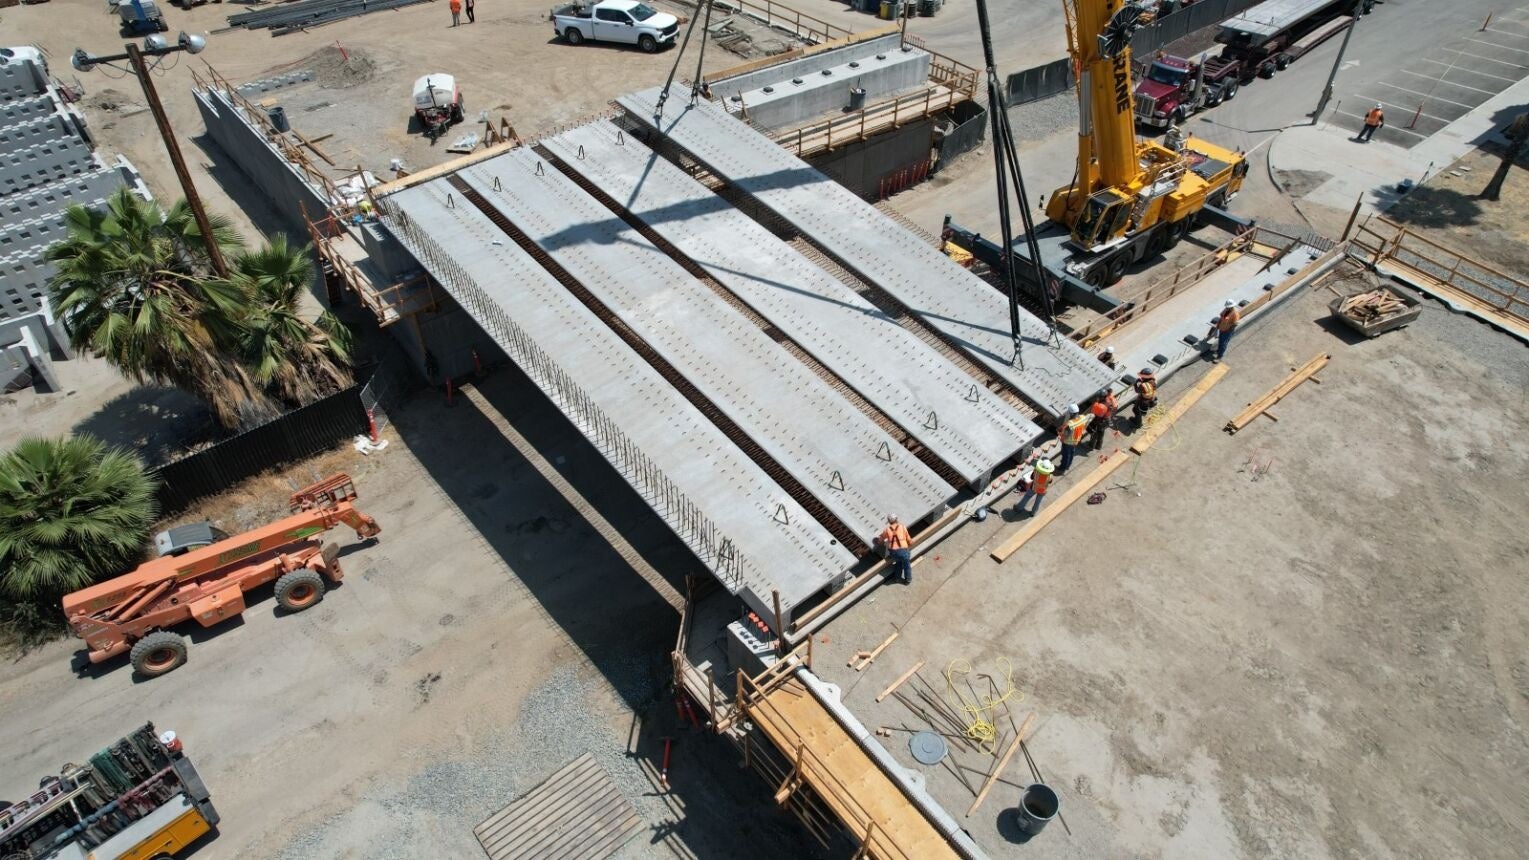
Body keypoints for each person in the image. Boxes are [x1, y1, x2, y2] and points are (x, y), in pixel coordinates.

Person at [878, 514, 913, 585]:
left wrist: (879, 542)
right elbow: (908, 539)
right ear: (896, 519)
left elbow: (881, 539)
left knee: (899, 563)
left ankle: (897, 578)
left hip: (894, 552)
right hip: (903, 550)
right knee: (907, 565)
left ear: (889, 522)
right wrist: (910, 543)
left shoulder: (887, 530)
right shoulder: (902, 527)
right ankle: (908, 580)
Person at [1057, 404, 1089, 473]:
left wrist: (1061, 437)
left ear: (1071, 413)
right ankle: (1068, 465)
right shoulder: (1083, 417)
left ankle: (1063, 467)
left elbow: (1066, 434)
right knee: (1071, 453)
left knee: (1066, 455)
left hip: (1068, 442)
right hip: (1076, 440)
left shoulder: (1070, 424)